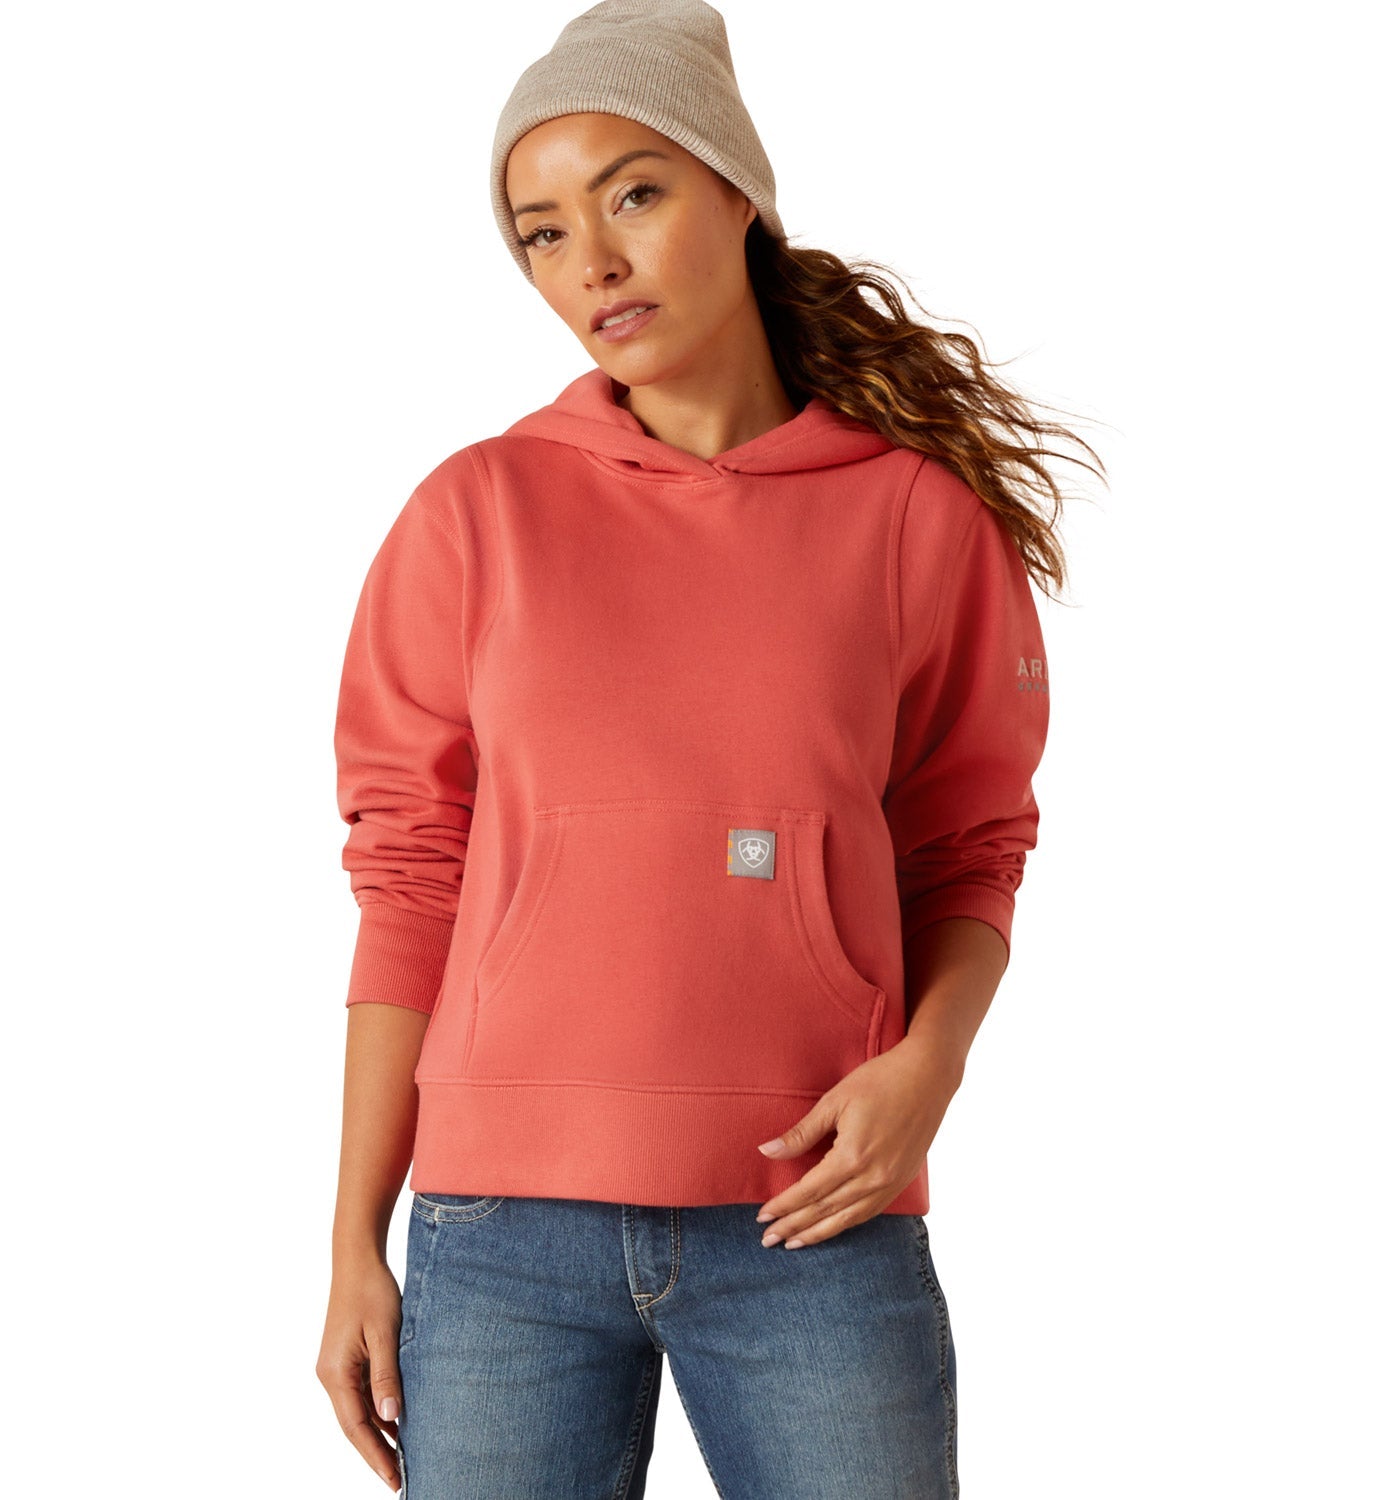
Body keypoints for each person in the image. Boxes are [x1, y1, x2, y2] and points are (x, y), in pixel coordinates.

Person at [316, 2, 1102, 1494]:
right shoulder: (476, 513)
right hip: (499, 1231)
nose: (594, 263)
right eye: (544, 233)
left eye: (634, 193)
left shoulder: (915, 519)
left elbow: (969, 848)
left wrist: (929, 1069)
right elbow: (409, 877)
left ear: (737, 189)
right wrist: (355, 1236)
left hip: (816, 1206)